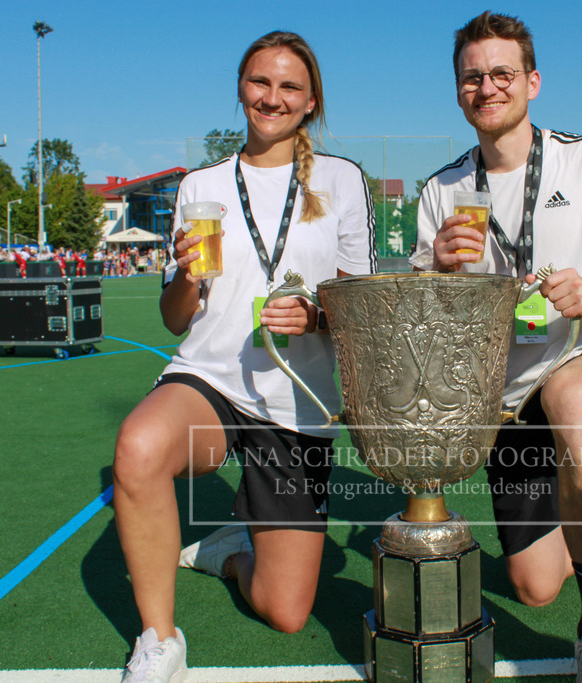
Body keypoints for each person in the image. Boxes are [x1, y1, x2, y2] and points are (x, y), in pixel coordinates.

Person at [411, 12, 582, 682]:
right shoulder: (440, 191)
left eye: (502, 73)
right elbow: (422, 320)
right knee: (534, 583)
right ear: (459, 93)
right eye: (473, 76)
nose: (488, 86)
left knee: (571, 398)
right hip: (507, 402)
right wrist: (438, 272)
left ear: (532, 81)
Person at [112, 30, 376, 683]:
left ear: (310, 101)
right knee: (139, 447)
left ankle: (230, 550)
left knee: (285, 610)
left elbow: (363, 307)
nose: (272, 97)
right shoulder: (201, 184)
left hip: (298, 402)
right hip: (211, 380)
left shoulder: (343, 180)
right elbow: (174, 316)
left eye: (289, 86)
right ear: (241, 88)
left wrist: (315, 314)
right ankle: (157, 638)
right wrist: (188, 278)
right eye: (260, 82)